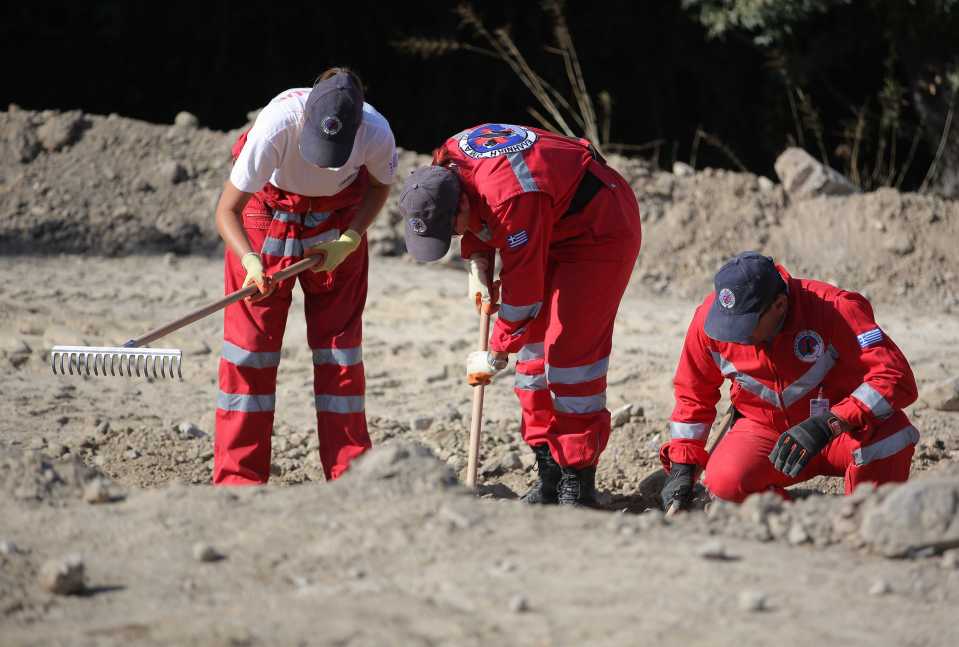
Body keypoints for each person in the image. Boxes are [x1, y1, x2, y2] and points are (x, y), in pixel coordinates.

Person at [398, 123, 642, 506]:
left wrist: (494, 354)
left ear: (459, 205)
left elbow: (523, 293)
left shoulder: (509, 196)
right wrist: (477, 263)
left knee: (570, 359)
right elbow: (481, 221)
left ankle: (576, 481)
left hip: (599, 226)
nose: (458, 237)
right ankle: (548, 472)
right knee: (532, 361)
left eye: (454, 232)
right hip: (546, 219)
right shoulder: (443, 166)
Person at [212, 68, 397, 485]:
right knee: (249, 351)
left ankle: (351, 476)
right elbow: (226, 210)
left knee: (341, 352)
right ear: (307, 119)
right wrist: (250, 261)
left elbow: (380, 188)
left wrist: (350, 238)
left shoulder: (376, 131)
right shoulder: (277, 125)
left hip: (338, 216)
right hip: (266, 213)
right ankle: (239, 482)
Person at [660, 251, 919, 509]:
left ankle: (870, 518)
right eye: (729, 325)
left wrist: (831, 422)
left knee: (892, 435)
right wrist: (682, 464)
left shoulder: (835, 308)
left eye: (744, 326)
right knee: (724, 483)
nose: (734, 336)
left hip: (840, 432)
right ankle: (792, 518)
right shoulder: (711, 322)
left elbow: (896, 377)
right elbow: (692, 394)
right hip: (767, 434)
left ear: (779, 305)